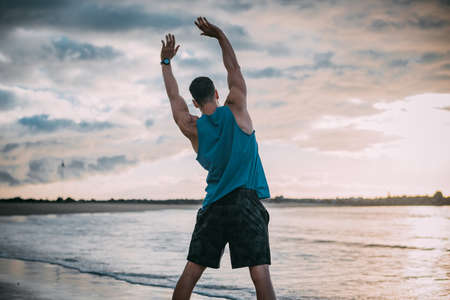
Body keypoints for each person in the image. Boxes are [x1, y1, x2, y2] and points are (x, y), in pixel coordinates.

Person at [160, 16, 276, 300]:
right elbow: (233, 68)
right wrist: (220, 35)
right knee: (259, 273)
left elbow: (174, 98)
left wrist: (165, 63)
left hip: (214, 207)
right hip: (245, 203)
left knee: (191, 273)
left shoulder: (192, 127)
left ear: (196, 103)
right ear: (216, 93)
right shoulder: (236, 108)